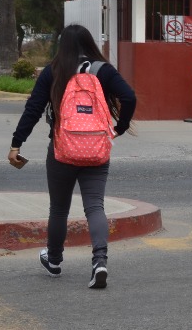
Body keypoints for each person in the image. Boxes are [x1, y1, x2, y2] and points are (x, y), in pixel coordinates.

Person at [8, 24, 136, 289]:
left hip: (62, 150)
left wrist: (16, 143)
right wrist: (119, 128)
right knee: (95, 206)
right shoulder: (103, 70)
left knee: (59, 209)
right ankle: (99, 262)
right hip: (97, 149)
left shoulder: (54, 71)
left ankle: (54, 260)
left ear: (62, 45)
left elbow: (33, 109)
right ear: (89, 43)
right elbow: (129, 97)